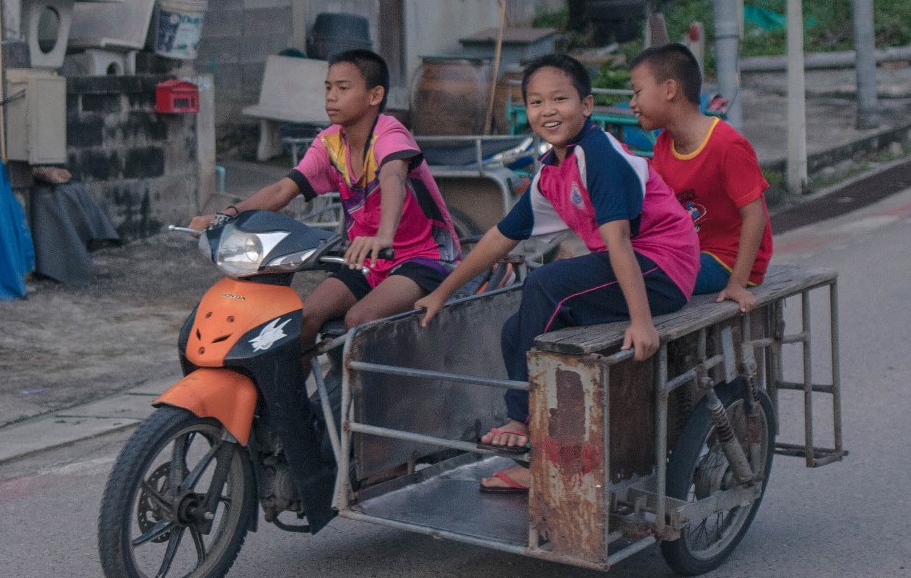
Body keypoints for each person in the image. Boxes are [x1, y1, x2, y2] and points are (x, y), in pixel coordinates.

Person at [417, 53, 699, 493]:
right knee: (516, 331)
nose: (547, 111)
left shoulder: (597, 154)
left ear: (586, 106)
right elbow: (499, 237)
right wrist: (444, 292)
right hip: (631, 266)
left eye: (559, 99)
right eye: (535, 102)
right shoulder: (551, 170)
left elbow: (620, 241)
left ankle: (525, 422)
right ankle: (545, 442)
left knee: (546, 283)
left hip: (663, 266)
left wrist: (642, 324)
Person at [191, 49, 460, 341]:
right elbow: (283, 188)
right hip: (367, 260)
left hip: (422, 259)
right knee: (304, 318)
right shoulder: (329, 142)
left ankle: (361, 388)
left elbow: (393, 176)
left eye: (343, 88)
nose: (331, 96)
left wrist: (384, 236)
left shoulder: (390, 134)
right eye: (328, 88)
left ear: (375, 95)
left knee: (359, 320)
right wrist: (225, 216)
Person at [627, 43, 773, 313]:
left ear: (670, 90)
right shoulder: (663, 145)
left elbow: (755, 215)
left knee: (642, 282)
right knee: (623, 269)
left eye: (637, 92)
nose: (632, 104)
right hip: (690, 252)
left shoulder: (726, 144)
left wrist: (737, 283)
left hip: (729, 262)